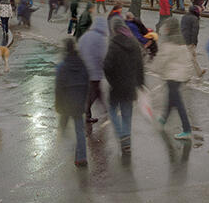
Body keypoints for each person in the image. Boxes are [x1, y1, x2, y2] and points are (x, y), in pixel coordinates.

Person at [103, 16, 145, 155]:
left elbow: (107, 67)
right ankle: (126, 143)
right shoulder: (134, 43)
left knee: (113, 111)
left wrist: (112, 81)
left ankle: (121, 134)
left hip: (116, 87)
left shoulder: (113, 44)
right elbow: (140, 65)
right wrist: (140, 83)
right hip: (129, 87)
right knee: (127, 115)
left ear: (114, 29)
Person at [152, 19, 193, 140]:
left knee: (178, 103)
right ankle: (163, 120)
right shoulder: (181, 41)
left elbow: (162, 60)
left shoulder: (169, 44)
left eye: (166, 27)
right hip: (180, 77)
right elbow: (188, 59)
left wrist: (154, 69)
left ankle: (187, 130)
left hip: (172, 77)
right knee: (172, 99)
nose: (165, 29)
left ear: (169, 28)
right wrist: (188, 74)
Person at [55, 38, 90, 167]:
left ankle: (71, 146)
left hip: (66, 103)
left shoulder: (63, 66)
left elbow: (59, 88)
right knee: (80, 130)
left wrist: (58, 104)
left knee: (63, 127)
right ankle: (82, 158)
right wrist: (85, 99)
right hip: (79, 101)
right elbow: (87, 82)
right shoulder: (82, 64)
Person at [78, 12, 109, 124]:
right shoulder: (100, 38)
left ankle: (104, 109)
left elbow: (79, 49)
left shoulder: (86, 35)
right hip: (94, 70)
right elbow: (102, 55)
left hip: (84, 70)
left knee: (96, 91)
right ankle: (86, 112)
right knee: (95, 92)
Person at [179, 5, 205, 77]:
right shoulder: (194, 19)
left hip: (182, 39)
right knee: (191, 58)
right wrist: (194, 42)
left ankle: (199, 71)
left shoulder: (184, 17)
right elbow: (195, 32)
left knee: (192, 56)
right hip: (189, 41)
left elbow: (181, 28)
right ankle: (185, 74)